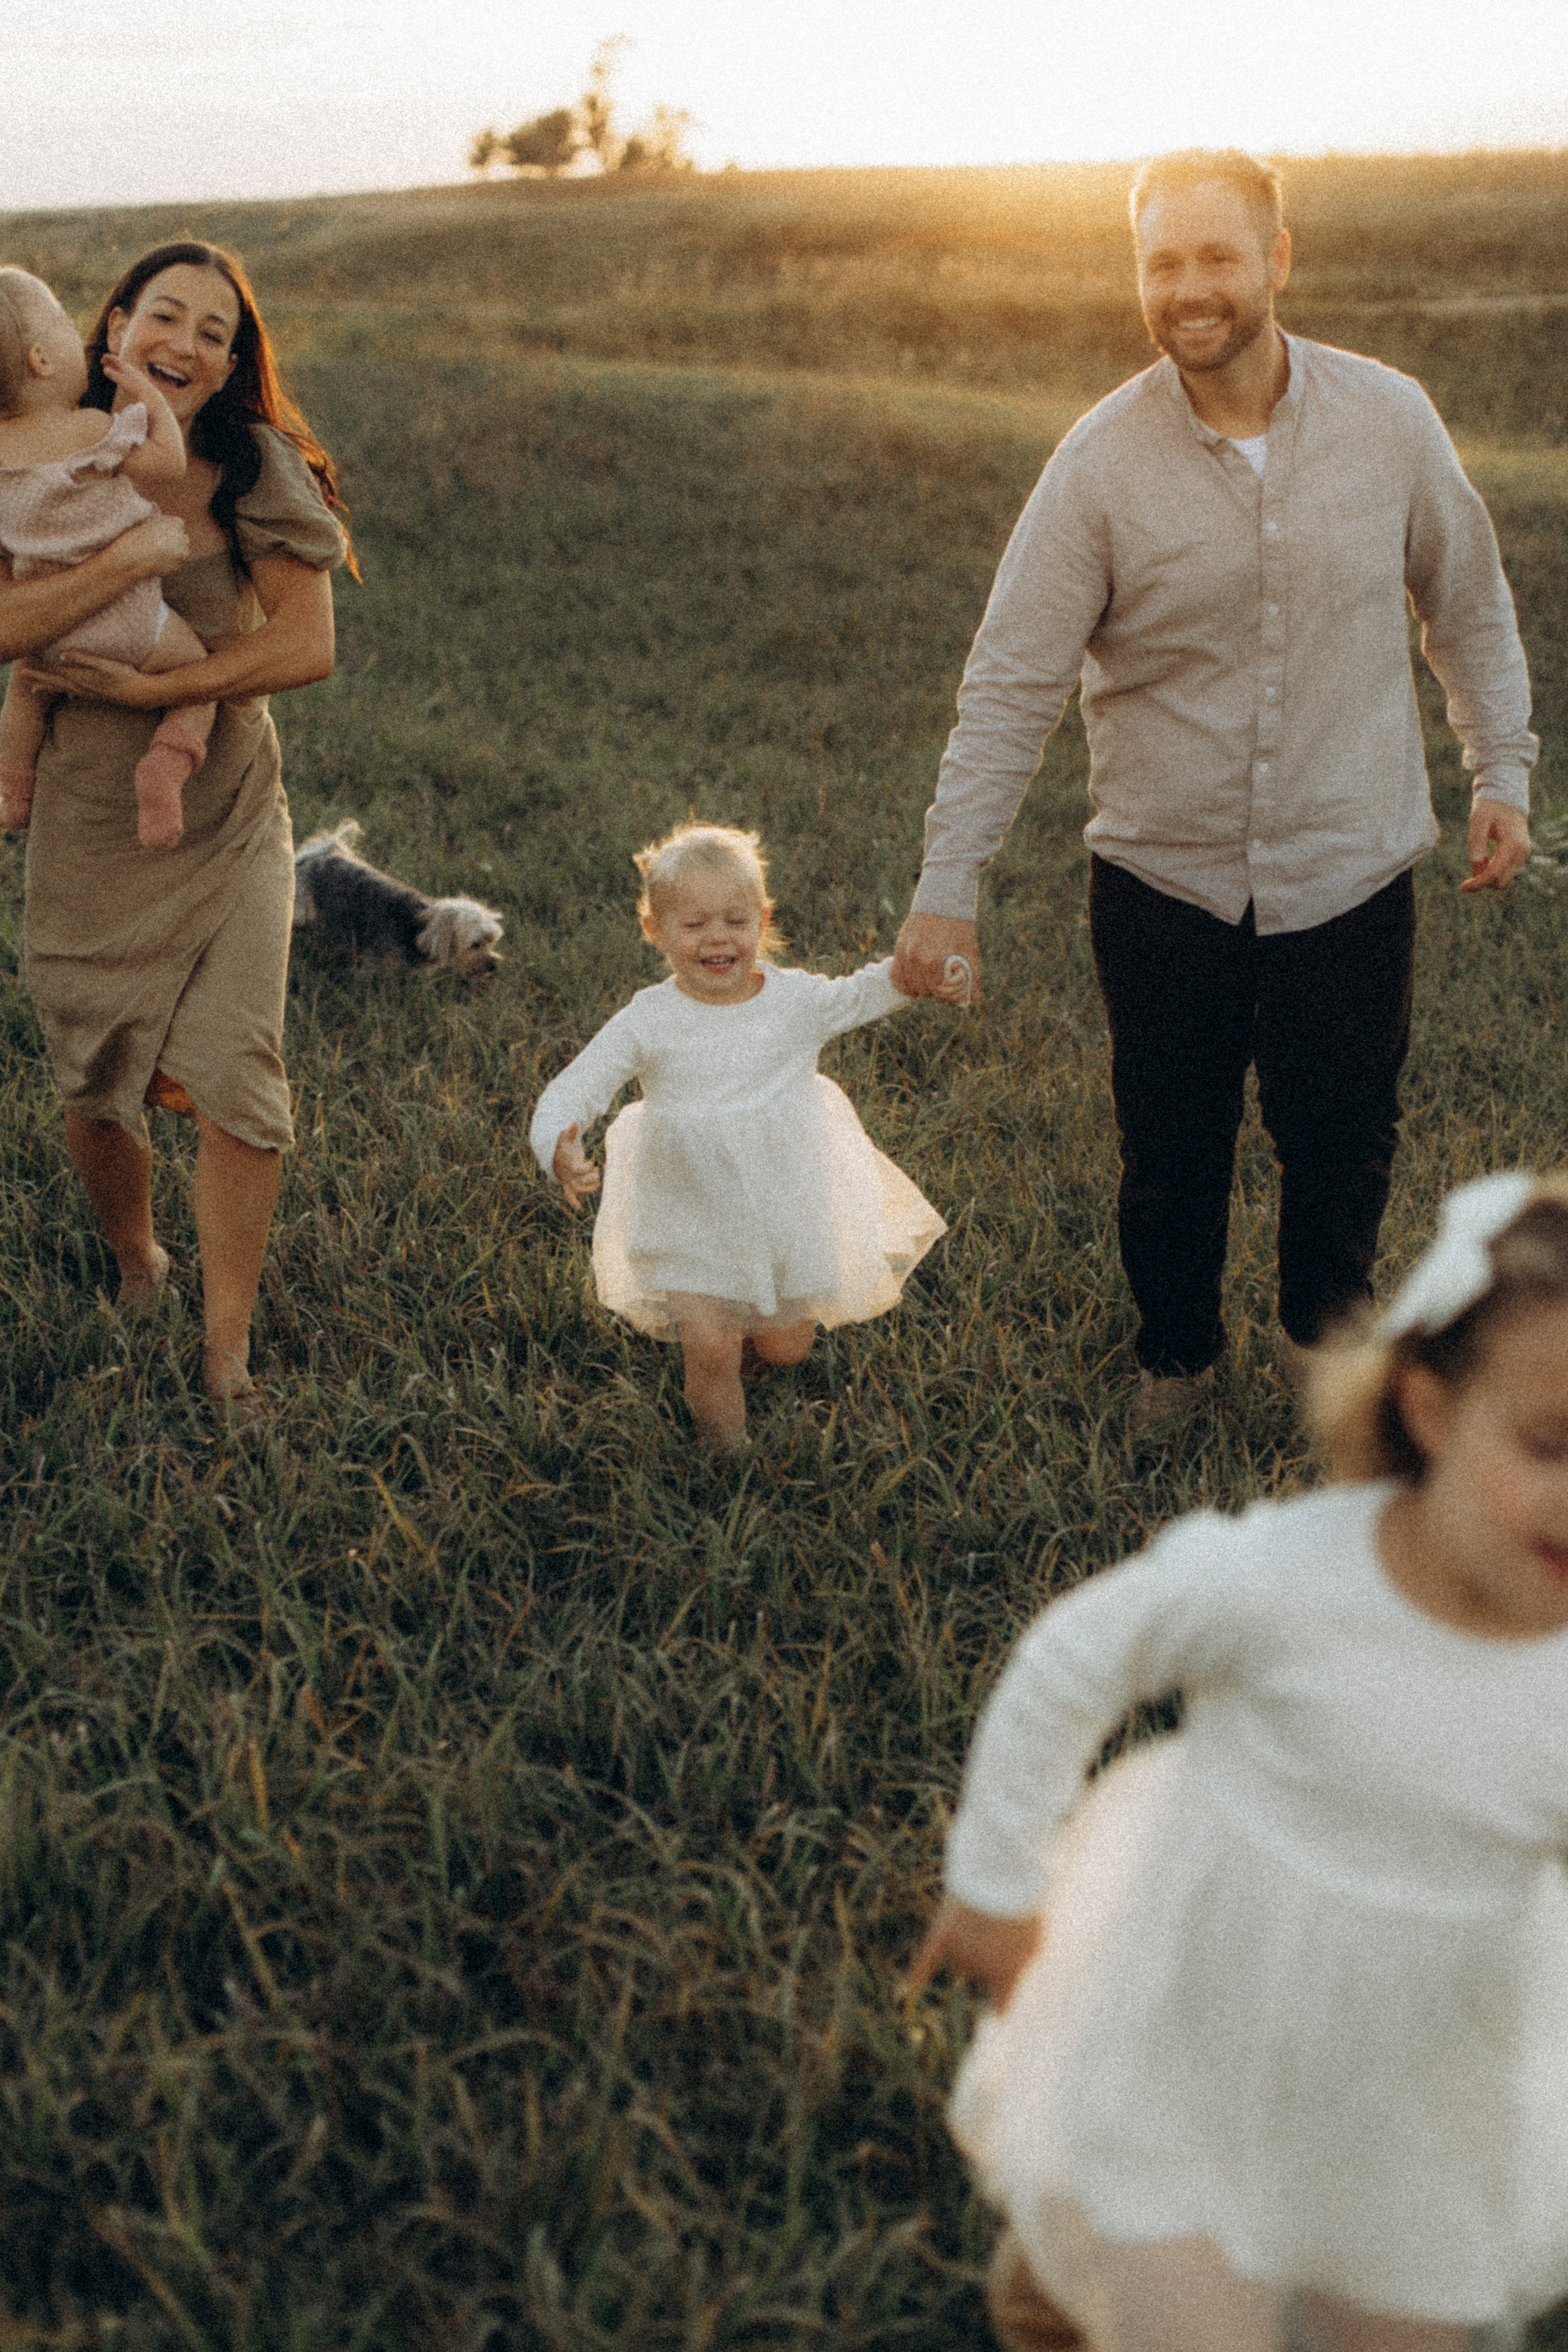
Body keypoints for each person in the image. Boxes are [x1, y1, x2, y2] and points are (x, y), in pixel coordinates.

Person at [892, 149, 1537, 1441]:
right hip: (1161, 878)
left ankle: (1322, 1364)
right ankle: (1175, 1366)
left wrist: (1498, 768)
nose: (1187, 288)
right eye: (1159, 262)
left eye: (1213, 257)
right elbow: (1011, 682)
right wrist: (943, 889)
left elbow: (1463, 605)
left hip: (1349, 864)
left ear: (1275, 262)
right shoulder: (1096, 463)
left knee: (1341, 1145)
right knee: (1169, 1153)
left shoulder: (1388, 421)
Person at [908, 1168, 1568, 2352]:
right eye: (1551, 1443)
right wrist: (995, 1882)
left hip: (1420, 2093)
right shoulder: (1284, 1582)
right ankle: (1076, 2278)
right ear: (1429, 1410)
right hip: (1200, 2049)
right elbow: (1076, 1661)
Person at [0, 241, 352, 1421]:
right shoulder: (51, 445)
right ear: (114, 326)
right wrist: (125, 562)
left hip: (228, 803)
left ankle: (228, 1354)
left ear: (237, 358)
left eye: (218, 330)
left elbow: (306, 646)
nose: (189, 345)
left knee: (242, 1077)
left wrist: (157, 694)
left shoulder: (258, 468)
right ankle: (136, 1260)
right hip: (89, 816)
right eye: (168, 316)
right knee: (95, 1079)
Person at [530, 821, 963, 1446]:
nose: (717, 938)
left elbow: (867, 990)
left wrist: (923, 974)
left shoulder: (794, 1001)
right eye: (694, 923)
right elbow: (577, 1086)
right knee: (709, 1343)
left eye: (736, 921)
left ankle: (764, 1342)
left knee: (787, 1346)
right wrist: (558, 1141)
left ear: (763, 921)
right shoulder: (648, 1018)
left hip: (782, 1199)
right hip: (688, 1202)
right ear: (654, 929)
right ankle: (725, 1453)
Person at [0, 267, 216, 850]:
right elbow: (166, 463)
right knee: (196, 675)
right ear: (43, 360)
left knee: (25, 689)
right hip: (130, 619)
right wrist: (144, 394)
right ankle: (166, 766)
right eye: (70, 331)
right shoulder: (91, 430)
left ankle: (14, 792)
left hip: (48, 632)